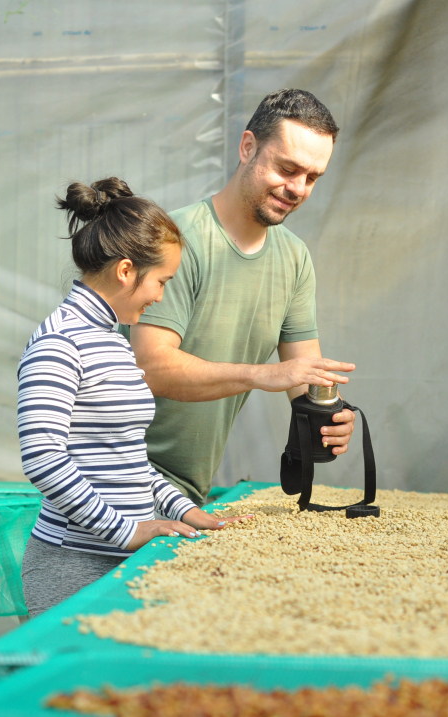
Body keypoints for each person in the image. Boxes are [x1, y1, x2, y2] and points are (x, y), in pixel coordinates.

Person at [17, 177, 251, 618]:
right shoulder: (59, 343)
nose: (162, 296)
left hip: (121, 559)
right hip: (73, 565)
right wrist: (124, 531)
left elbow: (126, 458)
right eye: (161, 281)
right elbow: (43, 458)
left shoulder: (113, 341)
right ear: (126, 271)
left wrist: (184, 510)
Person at [126, 89, 356, 506]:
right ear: (248, 147)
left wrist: (327, 416)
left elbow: (303, 377)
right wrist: (261, 374)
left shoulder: (295, 258)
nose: (298, 188)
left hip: (185, 495)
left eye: (312, 177)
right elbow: (151, 367)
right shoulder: (175, 240)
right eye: (287, 168)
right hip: (115, 482)